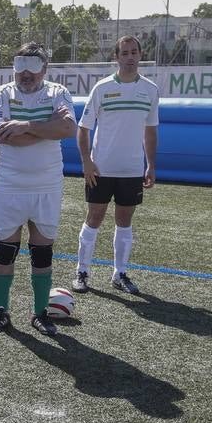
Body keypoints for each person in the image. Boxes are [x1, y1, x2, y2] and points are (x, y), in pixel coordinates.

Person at [0, 43, 78, 336]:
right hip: (9, 184)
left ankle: (39, 314)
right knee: (5, 251)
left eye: (33, 66)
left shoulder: (57, 93)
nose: (26, 72)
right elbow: (3, 136)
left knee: (42, 252)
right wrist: (45, 127)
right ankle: (0, 310)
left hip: (47, 185)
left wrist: (24, 124)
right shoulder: (2, 94)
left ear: (45, 69)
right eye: (20, 64)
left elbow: (67, 129)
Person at [73, 35, 159, 296]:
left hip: (132, 170)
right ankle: (82, 271)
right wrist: (87, 162)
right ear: (116, 57)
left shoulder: (151, 90)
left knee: (124, 222)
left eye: (134, 52)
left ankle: (119, 273)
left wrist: (151, 165)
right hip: (101, 169)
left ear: (140, 54)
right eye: (125, 53)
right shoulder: (102, 88)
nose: (130, 57)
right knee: (94, 218)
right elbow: (83, 128)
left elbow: (150, 131)